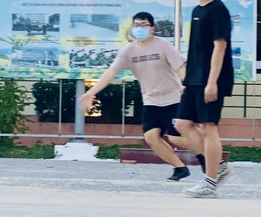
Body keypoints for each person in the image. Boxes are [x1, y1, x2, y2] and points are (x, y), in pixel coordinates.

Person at [79, 12, 191, 181]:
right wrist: (90, 92)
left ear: (152, 28)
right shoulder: (129, 51)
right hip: (151, 100)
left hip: (173, 98)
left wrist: (185, 84)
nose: (139, 28)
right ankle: (180, 168)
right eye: (136, 25)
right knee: (151, 137)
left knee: (177, 138)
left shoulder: (163, 45)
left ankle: (208, 154)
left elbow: (180, 67)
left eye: (143, 25)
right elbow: (111, 72)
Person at [174, 0, 235, 198]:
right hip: (194, 78)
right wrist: (186, 79)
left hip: (211, 79)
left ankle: (210, 181)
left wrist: (212, 82)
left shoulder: (218, 10)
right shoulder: (197, 10)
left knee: (209, 127)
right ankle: (218, 167)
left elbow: (220, 47)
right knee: (181, 123)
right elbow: (197, 49)